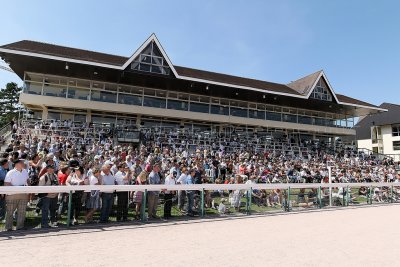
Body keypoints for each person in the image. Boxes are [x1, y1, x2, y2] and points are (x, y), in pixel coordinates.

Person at [4, 159, 30, 231]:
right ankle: (8, 228)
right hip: (12, 194)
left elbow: (28, 180)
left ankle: (20, 227)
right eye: (22, 163)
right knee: (10, 211)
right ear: (17, 164)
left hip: (23, 194)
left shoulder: (25, 171)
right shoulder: (10, 172)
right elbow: (6, 183)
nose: (24, 164)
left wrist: (28, 188)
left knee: (22, 211)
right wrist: (16, 189)